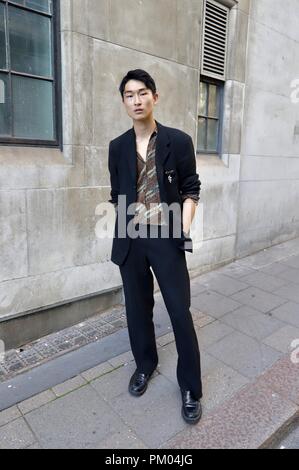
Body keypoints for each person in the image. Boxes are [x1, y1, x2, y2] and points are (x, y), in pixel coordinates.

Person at [108, 69, 202, 424]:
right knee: (137, 309)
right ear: (123, 102)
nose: (137, 100)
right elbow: (115, 192)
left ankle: (191, 386)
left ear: (155, 97)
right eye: (129, 95)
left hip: (166, 237)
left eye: (143, 93)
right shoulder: (117, 147)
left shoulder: (177, 141)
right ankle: (145, 365)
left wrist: (184, 223)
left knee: (179, 311)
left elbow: (192, 186)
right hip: (130, 239)